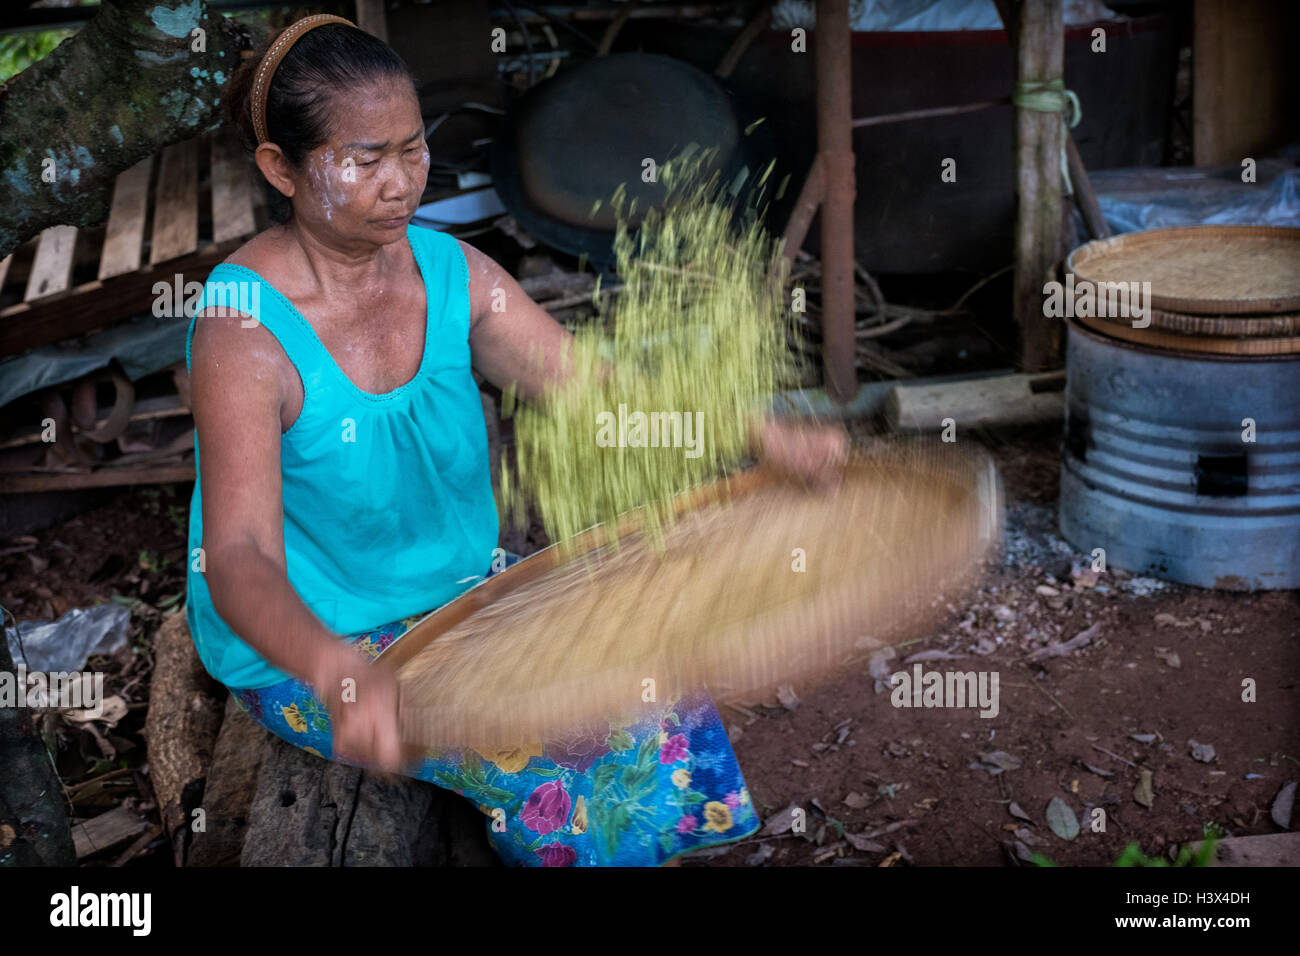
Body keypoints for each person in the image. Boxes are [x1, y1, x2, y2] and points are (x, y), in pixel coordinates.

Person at [185, 15, 847, 867]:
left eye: (414, 149)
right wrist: (340, 675)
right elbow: (237, 557)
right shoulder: (242, 327)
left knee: (646, 671)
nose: (401, 184)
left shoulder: (452, 273)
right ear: (282, 168)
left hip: (462, 600)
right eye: (364, 159)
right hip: (313, 643)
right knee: (561, 742)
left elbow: (595, 390)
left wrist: (755, 435)